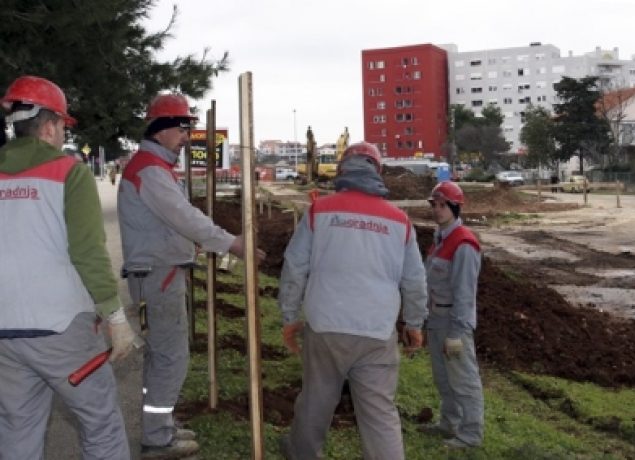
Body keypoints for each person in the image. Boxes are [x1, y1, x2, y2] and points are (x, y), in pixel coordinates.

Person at [0, 75, 137, 459]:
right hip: (62, 329)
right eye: (62, 125)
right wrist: (115, 316)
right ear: (48, 126)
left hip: (5, 333)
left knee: (17, 431)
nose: (63, 134)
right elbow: (88, 252)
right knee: (101, 424)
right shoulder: (68, 172)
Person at [278, 141, 428, 460]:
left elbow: (294, 266)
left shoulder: (320, 210)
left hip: (325, 326)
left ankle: (301, 454)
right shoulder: (399, 221)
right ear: (379, 171)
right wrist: (414, 323)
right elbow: (414, 281)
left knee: (316, 402)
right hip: (376, 331)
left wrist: (290, 316)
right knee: (379, 415)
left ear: (343, 169)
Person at [117, 93, 247, 458]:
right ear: (160, 130)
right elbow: (182, 216)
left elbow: (170, 222)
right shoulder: (150, 170)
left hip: (156, 271)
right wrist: (230, 243)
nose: (187, 136)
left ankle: (159, 424)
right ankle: (157, 438)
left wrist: (193, 245)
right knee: (171, 356)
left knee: (161, 355)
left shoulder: (153, 168)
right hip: (157, 273)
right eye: (181, 128)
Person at [420, 181, 485, 449]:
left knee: (463, 380)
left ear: (456, 207)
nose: (437, 210)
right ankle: (450, 423)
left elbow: (464, 294)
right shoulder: (440, 240)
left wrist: (457, 332)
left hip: (452, 322)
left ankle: (470, 435)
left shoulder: (464, 243)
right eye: (434, 205)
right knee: (444, 378)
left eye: (442, 205)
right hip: (436, 320)